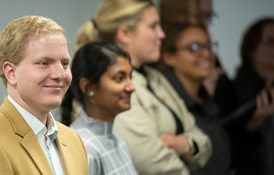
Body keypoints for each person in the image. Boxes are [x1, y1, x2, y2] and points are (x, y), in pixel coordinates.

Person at [76, 0, 211, 174]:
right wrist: (191, 151)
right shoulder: (109, 86)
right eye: (153, 26)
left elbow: (204, 142)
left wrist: (187, 145)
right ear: (124, 33)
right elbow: (151, 163)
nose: (162, 34)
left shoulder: (154, 77)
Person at [0, 16, 88, 175]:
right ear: (11, 72)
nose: (59, 74)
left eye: (64, 63)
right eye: (44, 63)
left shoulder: (73, 140)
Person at [156, 22, 231, 175]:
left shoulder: (206, 99)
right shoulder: (166, 105)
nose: (206, 54)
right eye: (194, 47)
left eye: (209, 46)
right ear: (169, 57)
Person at [61, 41, 137, 175]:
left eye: (130, 77)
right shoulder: (85, 148)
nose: (131, 87)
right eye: (119, 78)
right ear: (89, 88)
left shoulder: (116, 140)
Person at [228, 17, 274, 175]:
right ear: (251, 47)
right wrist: (254, 123)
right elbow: (225, 140)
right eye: (269, 40)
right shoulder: (232, 89)